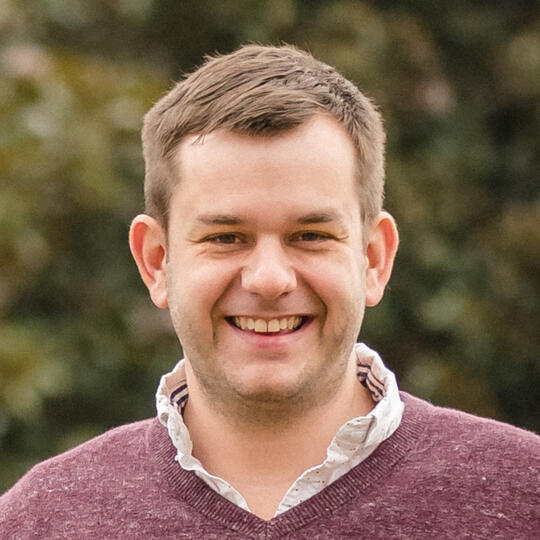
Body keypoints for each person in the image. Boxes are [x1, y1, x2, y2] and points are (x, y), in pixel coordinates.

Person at [1, 44, 538, 539]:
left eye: (310, 235)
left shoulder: (523, 498)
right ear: (157, 261)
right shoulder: (40, 522)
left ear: (374, 258)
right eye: (225, 237)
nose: (269, 279)